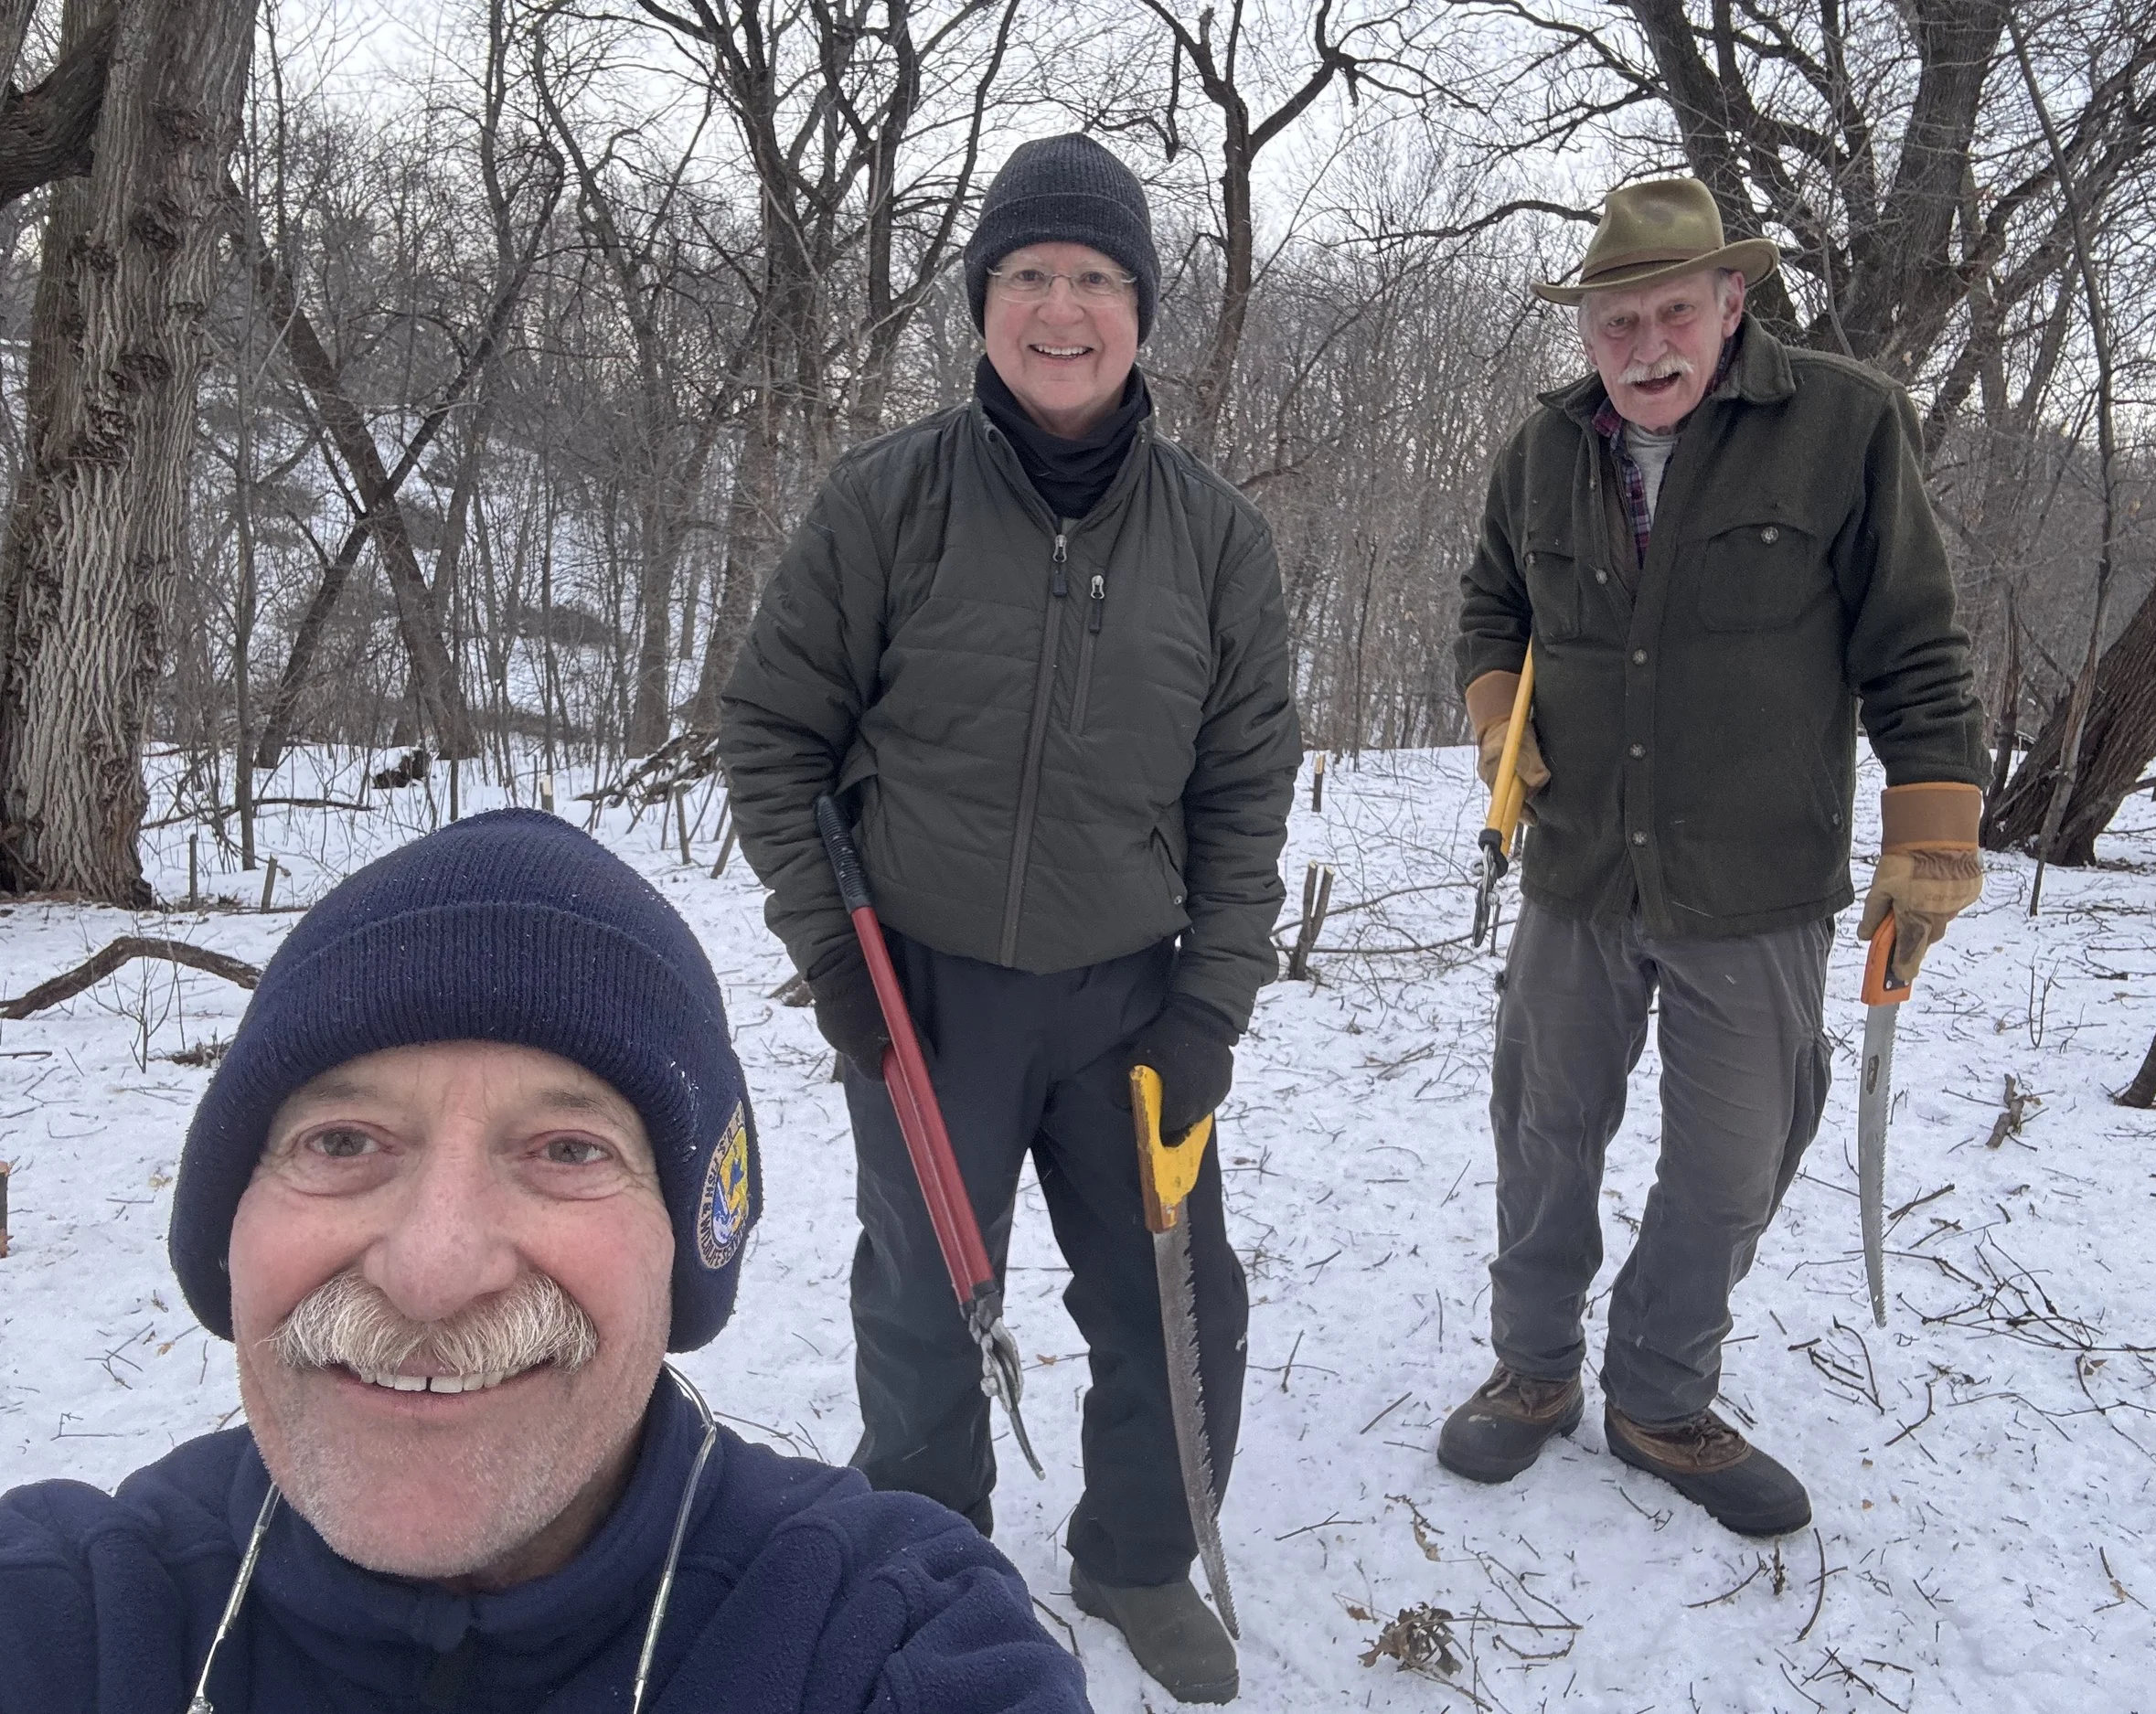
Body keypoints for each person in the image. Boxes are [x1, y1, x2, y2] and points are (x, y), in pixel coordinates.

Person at [0, 810, 1089, 1713]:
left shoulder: (881, 1638)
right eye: (341, 1143)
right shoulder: (62, 1619)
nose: (432, 1269)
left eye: (568, 1151)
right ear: (228, 1226)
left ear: (683, 1249)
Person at [720, 133, 1298, 1704]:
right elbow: (772, 731)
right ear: (983, 301)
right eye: (1030, 275)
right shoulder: (887, 501)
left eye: (1096, 279)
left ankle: (1133, 1553)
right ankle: (925, 1556)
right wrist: (833, 954)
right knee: (923, 1298)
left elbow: (1246, 800)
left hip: (1127, 999)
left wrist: (1210, 1011)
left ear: (1142, 313)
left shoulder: (1218, 544)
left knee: (1175, 1299)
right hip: (926, 997)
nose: (1062, 309)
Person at [1439, 178, 1987, 1536]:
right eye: (1613, 321)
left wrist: (1933, 828)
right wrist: (1499, 704)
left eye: (1672, 310)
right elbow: (1491, 600)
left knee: (1737, 1156)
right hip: (1577, 867)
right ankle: (1533, 1368)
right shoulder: (1543, 448)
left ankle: (1659, 1392)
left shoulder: (1844, 427)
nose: (1644, 345)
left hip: (1755, 879)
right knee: (1544, 1131)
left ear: (1731, 303)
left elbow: (1914, 639)